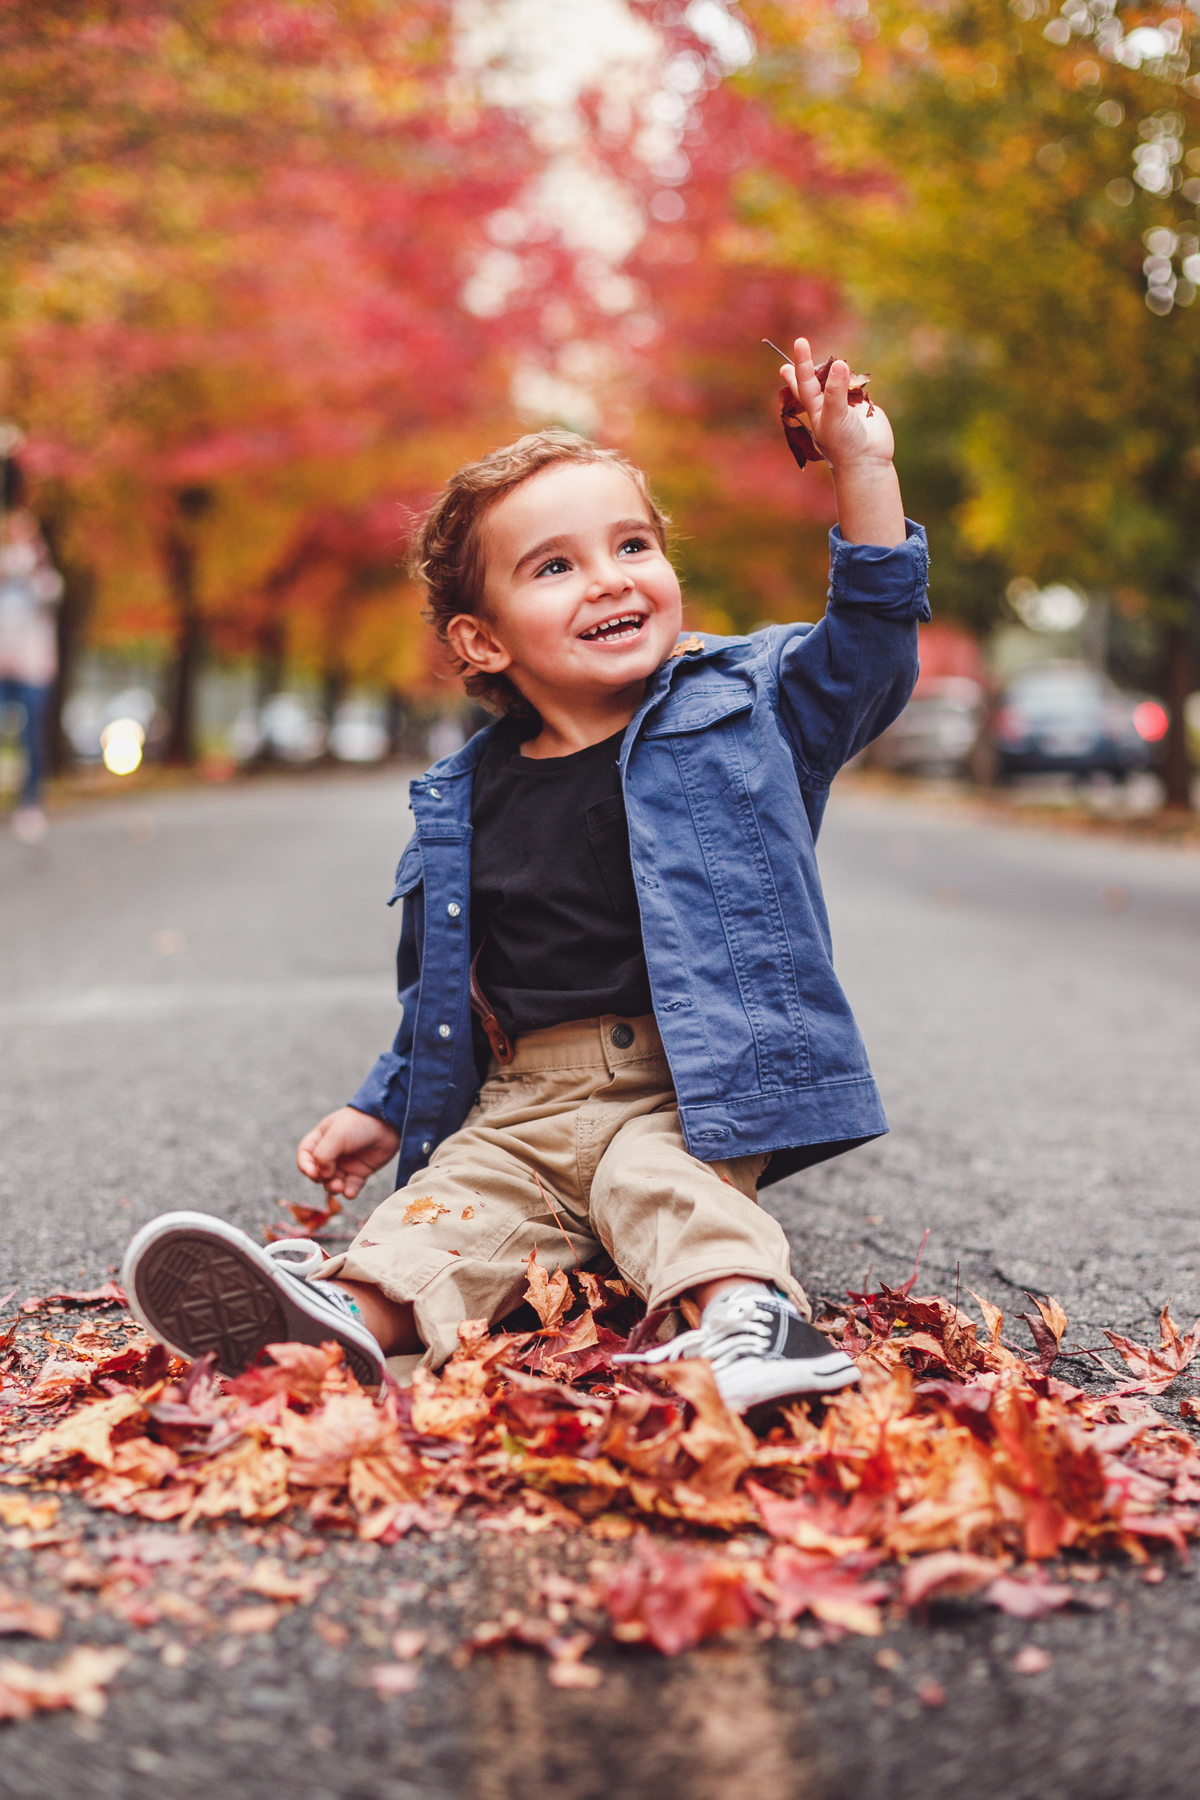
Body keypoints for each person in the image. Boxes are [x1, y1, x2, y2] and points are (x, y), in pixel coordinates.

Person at [122, 336, 930, 1413]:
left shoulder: (748, 704)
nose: (611, 579)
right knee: (446, 1212)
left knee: (665, 1191)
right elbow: (448, 995)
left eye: (632, 544)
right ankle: (336, 1326)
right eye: (555, 566)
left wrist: (862, 470)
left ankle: (749, 1323)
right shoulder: (461, 801)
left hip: (689, 1083)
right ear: (483, 639)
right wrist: (383, 1104)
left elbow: (872, 644)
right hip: (520, 1100)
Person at [0, 463, 63, 843]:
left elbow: (50, 597)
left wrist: (34, 567)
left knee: (30, 734)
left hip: (35, 666)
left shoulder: (46, 576)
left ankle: (30, 803)